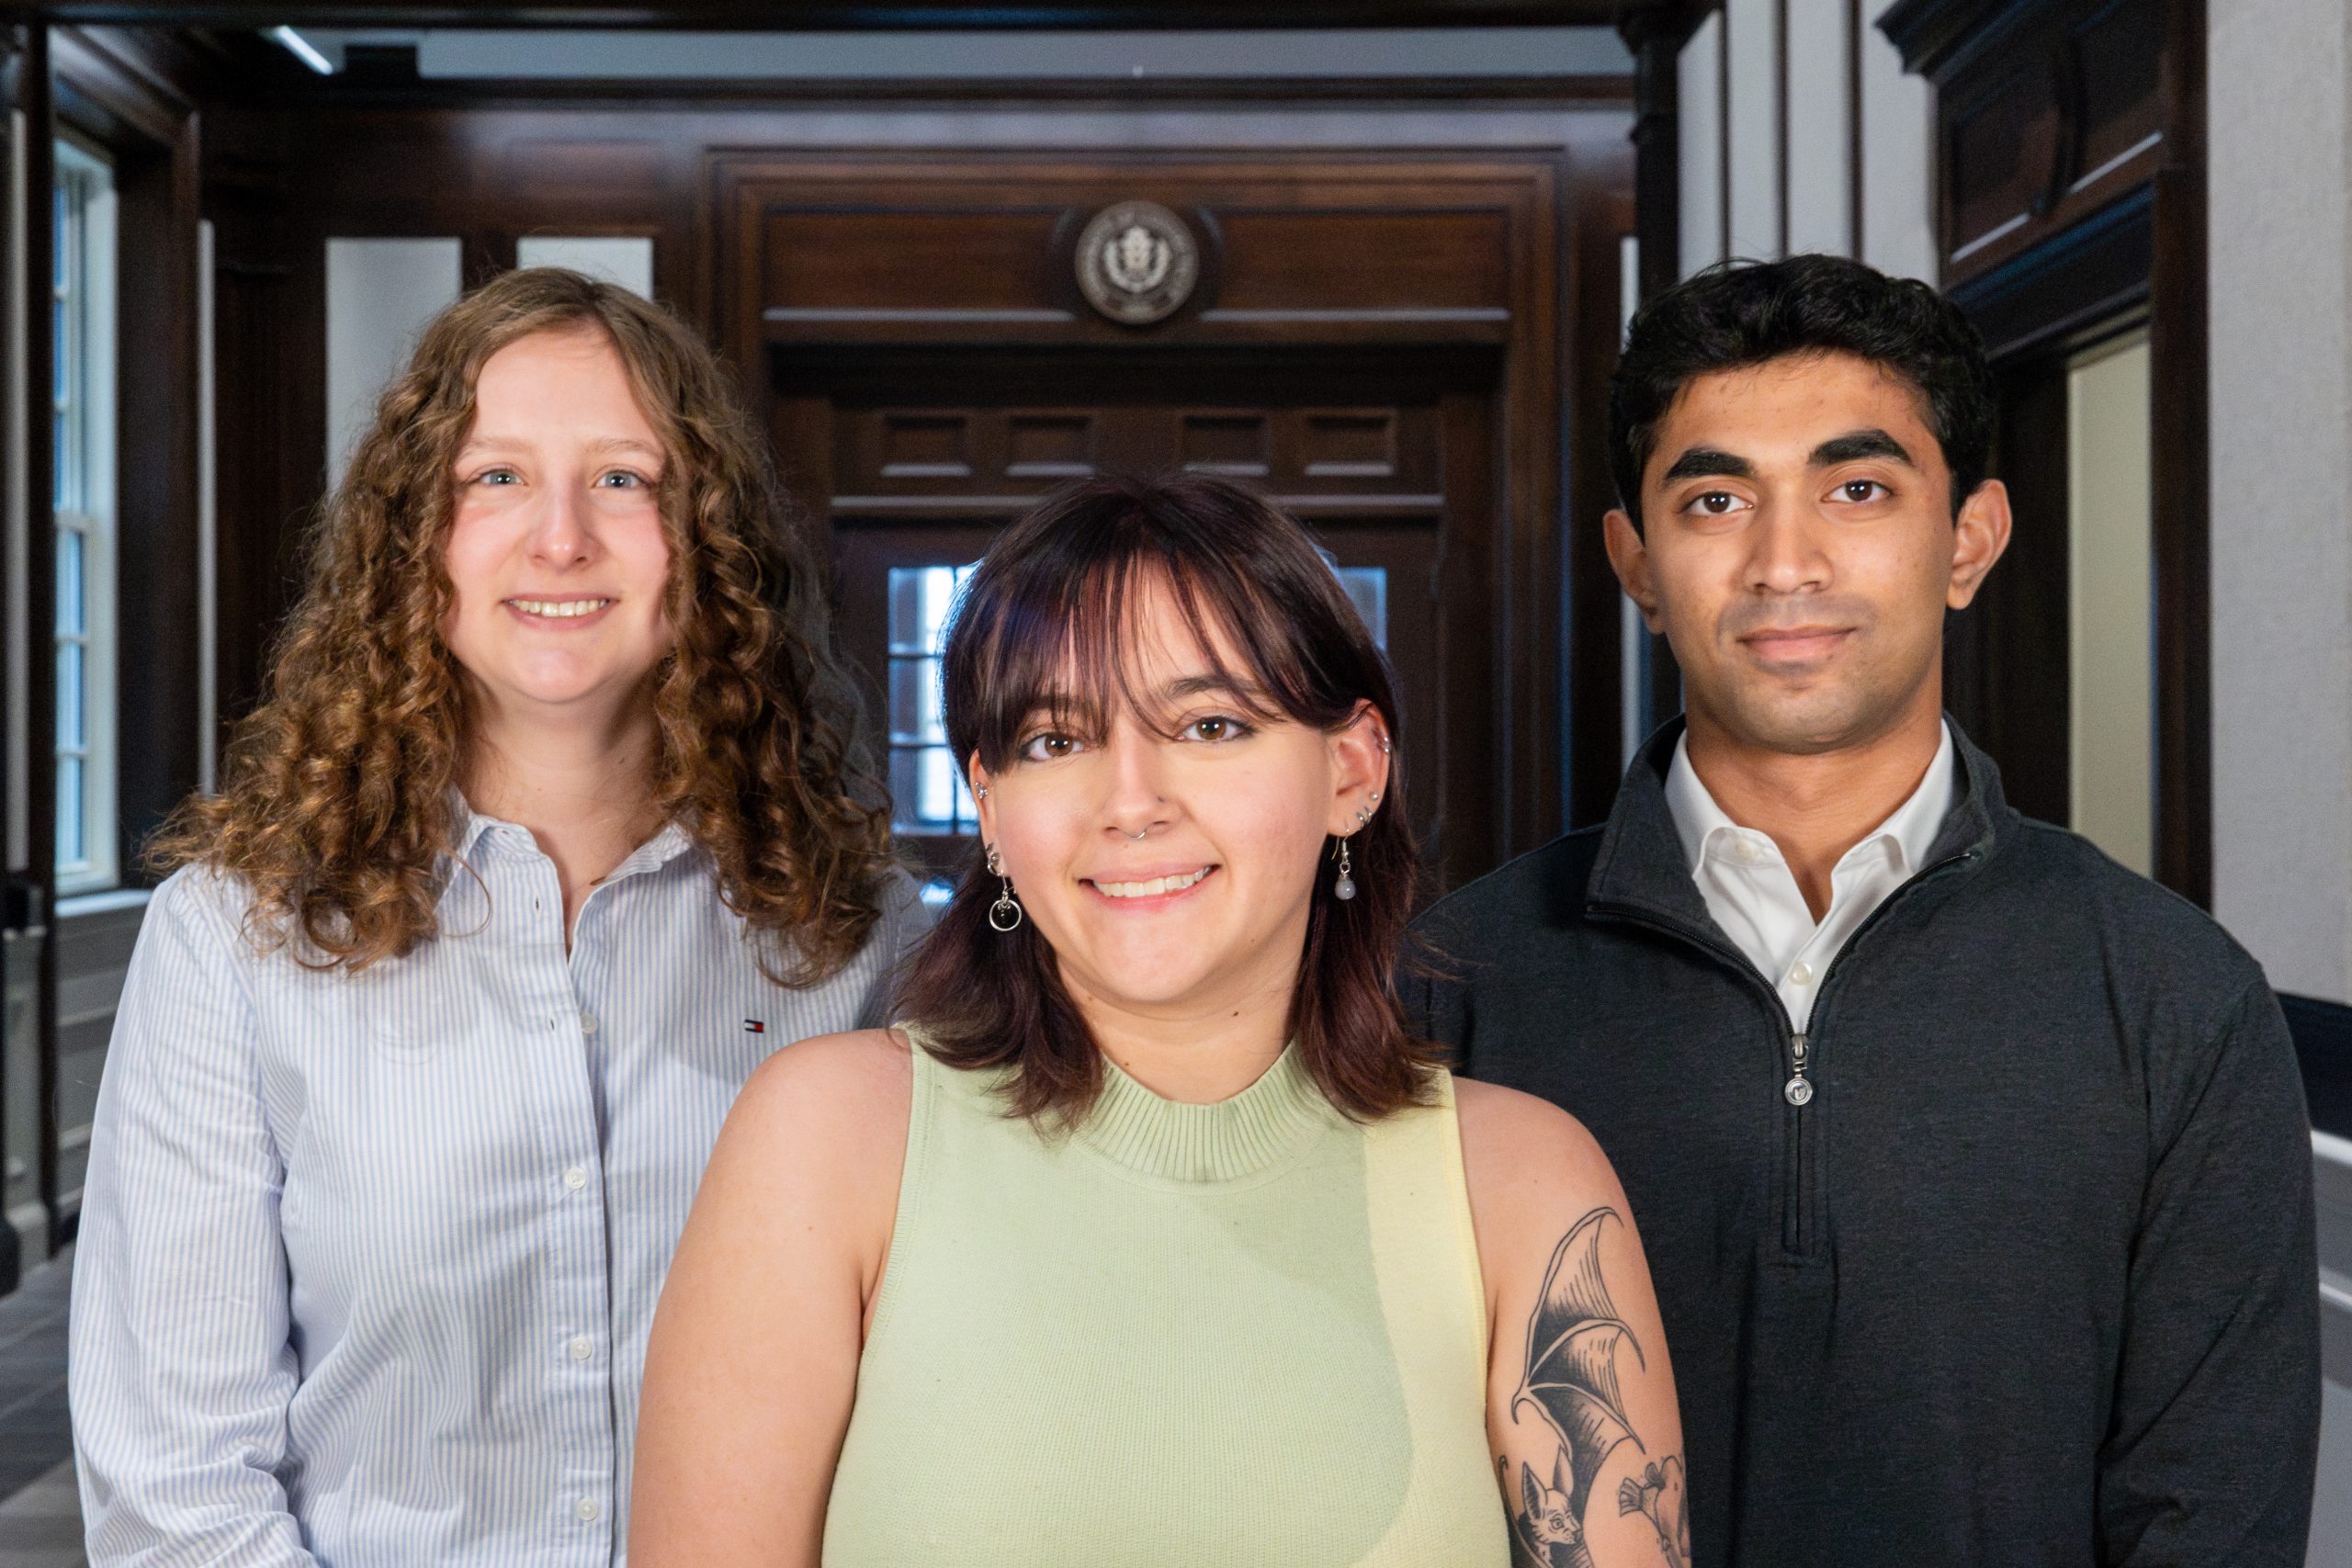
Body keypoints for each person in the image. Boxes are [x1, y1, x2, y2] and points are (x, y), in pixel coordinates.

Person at [1407, 254, 2320, 1566]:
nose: (1786, 561)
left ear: (1969, 539)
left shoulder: (2175, 997)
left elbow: (2213, 1519)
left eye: (1858, 487)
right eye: (1715, 497)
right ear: (1638, 563)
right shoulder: (1449, 984)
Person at [629, 474, 1690, 1568]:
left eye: (1210, 724)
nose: (1130, 801)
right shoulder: (826, 1140)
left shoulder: (1521, 1187)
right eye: (1054, 740)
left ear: (1352, 769)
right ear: (990, 806)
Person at [69, 267, 924, 1567]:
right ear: (414, 540)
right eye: (495, 478)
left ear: (711, 539)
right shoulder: (231, 939)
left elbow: (931, 1405)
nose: (562, 537)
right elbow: (177, 1487)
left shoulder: (860, 933)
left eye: (627, 479)